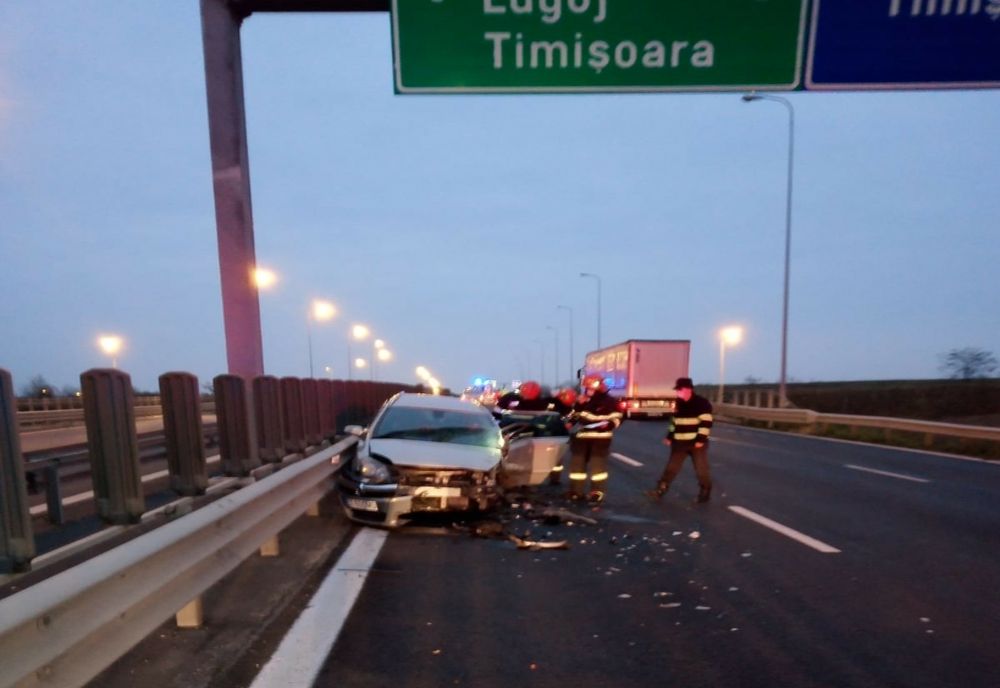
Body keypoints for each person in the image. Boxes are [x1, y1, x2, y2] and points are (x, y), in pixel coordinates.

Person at [646, 377, 714, 503]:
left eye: (679, 390)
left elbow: (706, 422)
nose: (677, 392)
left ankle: (705, 491)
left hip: (696, 444)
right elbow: (674, 423)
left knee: (701, 470)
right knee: (671, 468)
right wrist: (669, 437)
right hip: (679, 444)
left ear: (688, 389)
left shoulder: (702, 403)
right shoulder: (678, 403)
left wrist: (701, 440)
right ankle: (660, 489)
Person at [566, 374, 623, 504]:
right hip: (582, 438)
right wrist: (573, 416)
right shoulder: (583, 401)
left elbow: (617, 418)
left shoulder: (610, 401)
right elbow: (574, 416)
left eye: (590, 387)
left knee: (597, 467)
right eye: (587, 387)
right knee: (577, 466)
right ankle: (576, 492)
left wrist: (609, 424)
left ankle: (597, 493)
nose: (588, 390)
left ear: (600, 386)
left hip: (601, 438)